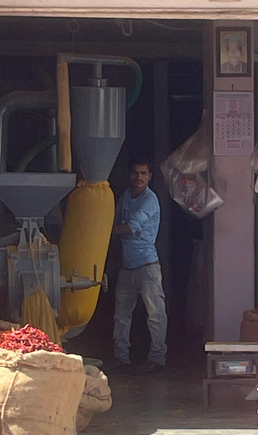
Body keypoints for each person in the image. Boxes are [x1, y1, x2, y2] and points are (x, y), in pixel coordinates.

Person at [109, 157, 167, 373]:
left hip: (147, 265)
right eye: (135, 173)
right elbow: (116, 222)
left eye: (143, 173)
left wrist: (102, 231)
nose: (139, 177)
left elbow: (130, 227)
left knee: (155, 315)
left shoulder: (150, 200)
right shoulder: (125, 196)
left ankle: (158, 358)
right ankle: (121, 357)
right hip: (127, 265)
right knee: (121, 315)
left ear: (150, 176)